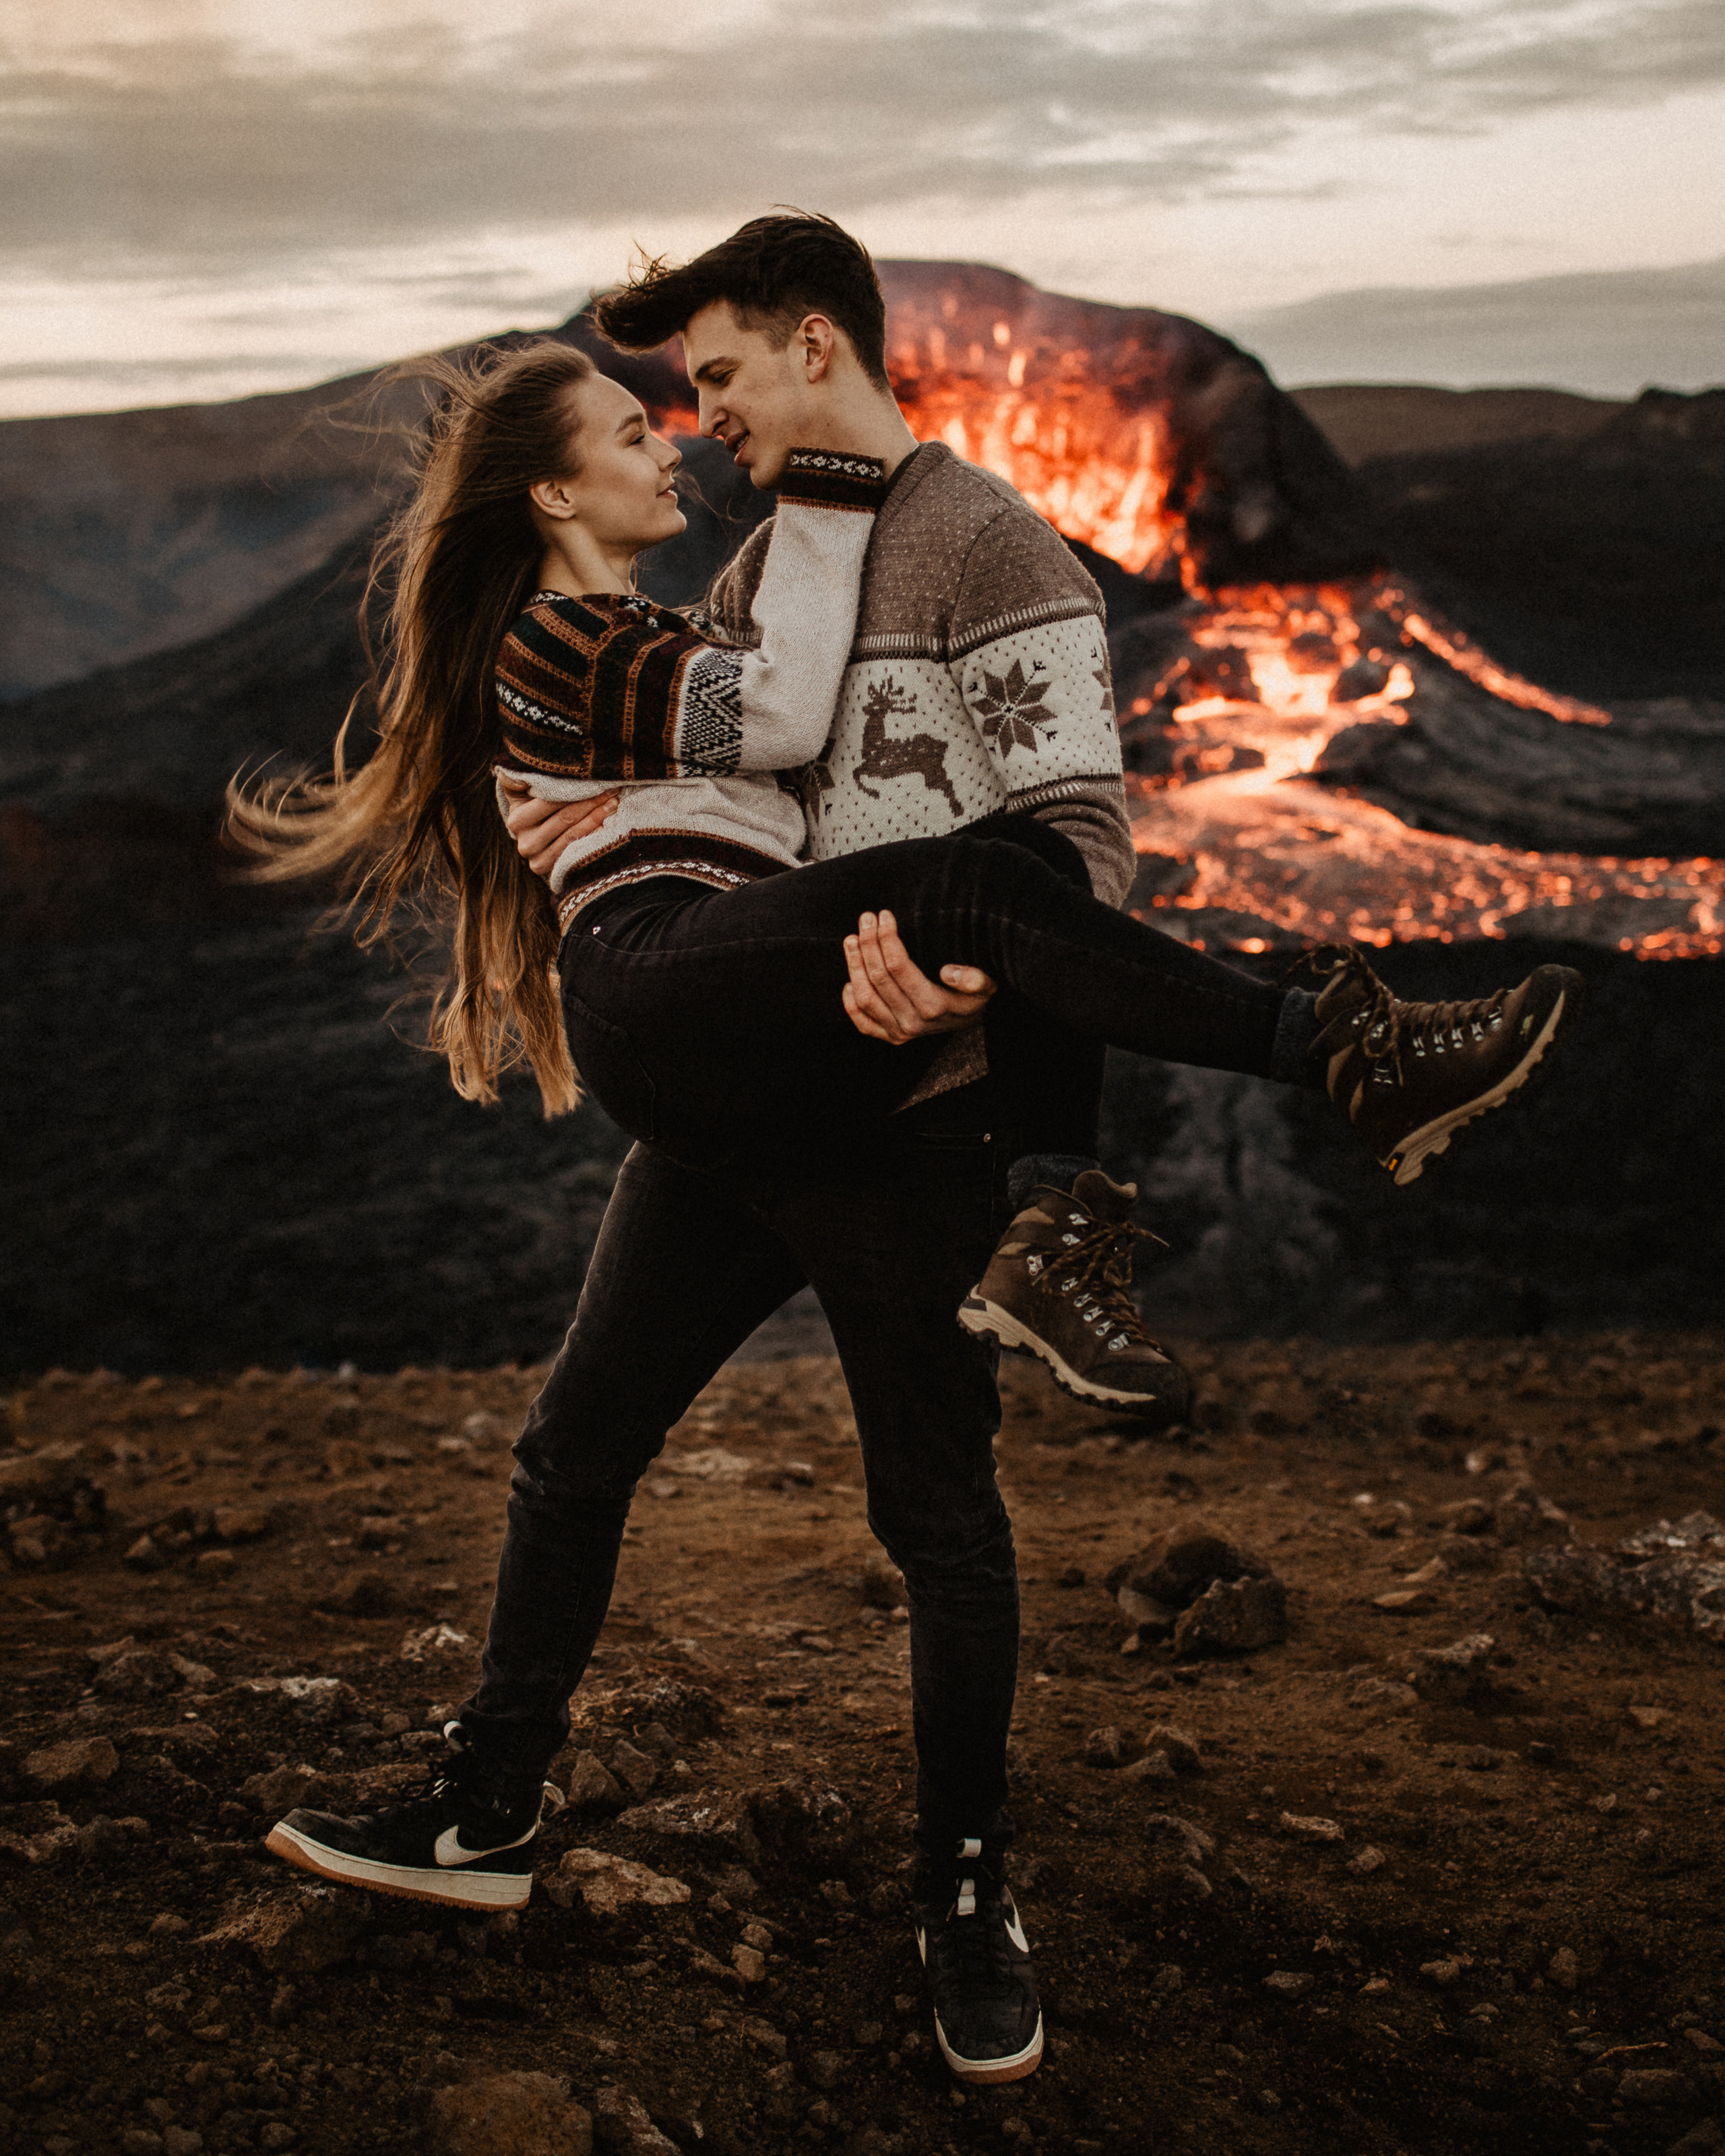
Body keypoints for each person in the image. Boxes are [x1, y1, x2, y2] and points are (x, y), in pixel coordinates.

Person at [236, 215, 1581, 2086]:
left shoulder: (973, 537)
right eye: (658, 415)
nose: (691, 433)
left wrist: (927, 989)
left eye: (710, 385)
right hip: (712, 1052)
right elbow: (766, 767)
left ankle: (952, 1886)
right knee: (598, 1436)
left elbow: (1068, 852)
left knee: (884, 1504)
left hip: (872, 1102)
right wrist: (875, 913)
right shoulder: (682, 598)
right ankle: (1331, 1051)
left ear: (809, 344)